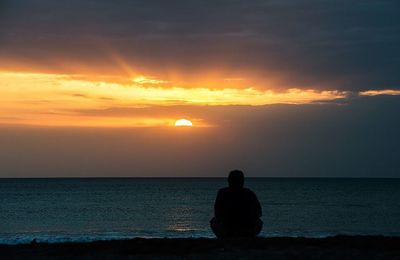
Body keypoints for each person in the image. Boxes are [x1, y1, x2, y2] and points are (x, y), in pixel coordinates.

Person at [210, 170, 263, 238]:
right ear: (242, 181)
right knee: (259, 222)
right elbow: (259, 212)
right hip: (241, 228)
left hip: (232, 228)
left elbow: (217, 211)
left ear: (229, 180)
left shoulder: (222, 193)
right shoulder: (249, 193)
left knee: (214, 221)